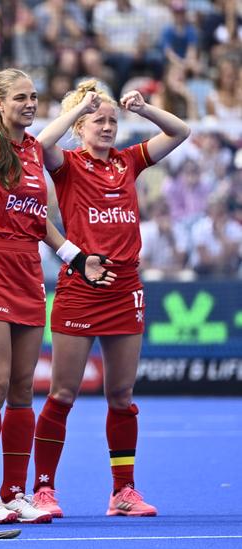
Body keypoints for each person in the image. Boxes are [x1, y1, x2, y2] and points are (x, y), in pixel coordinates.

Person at [0, 19, 113, 525]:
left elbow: (39, 222)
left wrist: (74, 256)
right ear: (1, 104)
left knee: (25, 390)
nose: (29, 103)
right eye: (20, 97)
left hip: (27, 269)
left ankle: (14, 492)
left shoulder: (32, 152)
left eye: (33, 97)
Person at [32, 79, 190, 517]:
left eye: (112, 121)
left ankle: (123, 491)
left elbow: (180, 132)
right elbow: (40, 143)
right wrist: (81, 105)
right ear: (79, 127)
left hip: (125, 288)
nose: (106, 127)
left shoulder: (127, 161)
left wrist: (144, 109)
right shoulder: (66, 164)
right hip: (81, 286)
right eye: (97, 121)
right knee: (62, 393)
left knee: (121, 396)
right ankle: (43, 490)